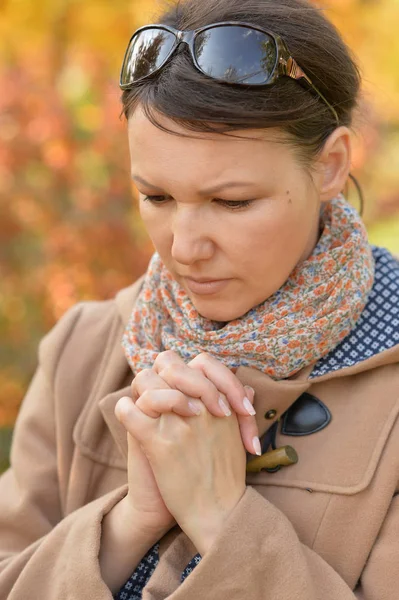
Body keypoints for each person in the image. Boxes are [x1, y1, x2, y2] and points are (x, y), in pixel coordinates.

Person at [1, 0, 399, 597]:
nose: (184, 247)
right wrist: (128, 523)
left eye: (232, 202)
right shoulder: (83, 348)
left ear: (331, 165)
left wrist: (224, 519)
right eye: (156, 197)